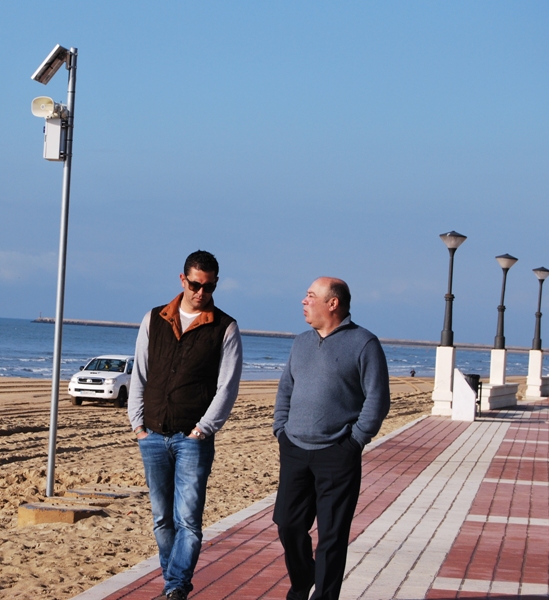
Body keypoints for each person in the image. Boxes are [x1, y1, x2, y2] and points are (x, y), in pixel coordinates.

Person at [128, 250, 243, 600]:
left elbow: (228, 385)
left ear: (215, 285)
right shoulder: (154, 319)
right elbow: (140, 372)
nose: (200, 293)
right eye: (195, 284)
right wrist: (137, 424)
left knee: (188, 522)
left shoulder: (225, 327)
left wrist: (204, 428)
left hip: (193, 439)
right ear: (183, 280)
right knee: (162, 520)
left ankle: (176, 587)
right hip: (152, 434)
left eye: (208, 287)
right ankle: (172, 583)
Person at [272, 277, 390, 600]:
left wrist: (354, 442)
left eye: (311, 296)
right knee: (288, 526)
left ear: (332, 303)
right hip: (295, 449)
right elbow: (285, 389)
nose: (304, 301)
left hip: (337, 453)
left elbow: (377, 399)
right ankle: (302, 579)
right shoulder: (301, 342)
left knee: (332, 537)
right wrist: (281, 430)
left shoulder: (365, 343)